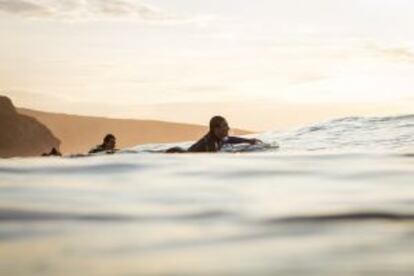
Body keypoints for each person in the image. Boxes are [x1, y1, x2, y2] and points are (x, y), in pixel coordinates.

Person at [166, 116, 262, 153]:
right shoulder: (211, 143)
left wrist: (249, 141)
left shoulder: (218, 138)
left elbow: (229, 139)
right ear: (216, 129)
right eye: (225, 126)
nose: (228, 128)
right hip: (179, 153)